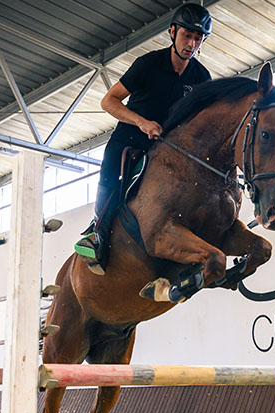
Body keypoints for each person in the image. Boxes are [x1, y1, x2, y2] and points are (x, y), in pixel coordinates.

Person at [74, 3, 213, 275]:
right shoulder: (148, 64)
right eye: (187, 35)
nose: (192, 43)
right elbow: (108, 101)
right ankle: (98, 233)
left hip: (169, 147)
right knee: (110, 170)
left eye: (198, 38)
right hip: (130, 139)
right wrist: (142, 122)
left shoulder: (201, 77)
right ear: (172, 32)